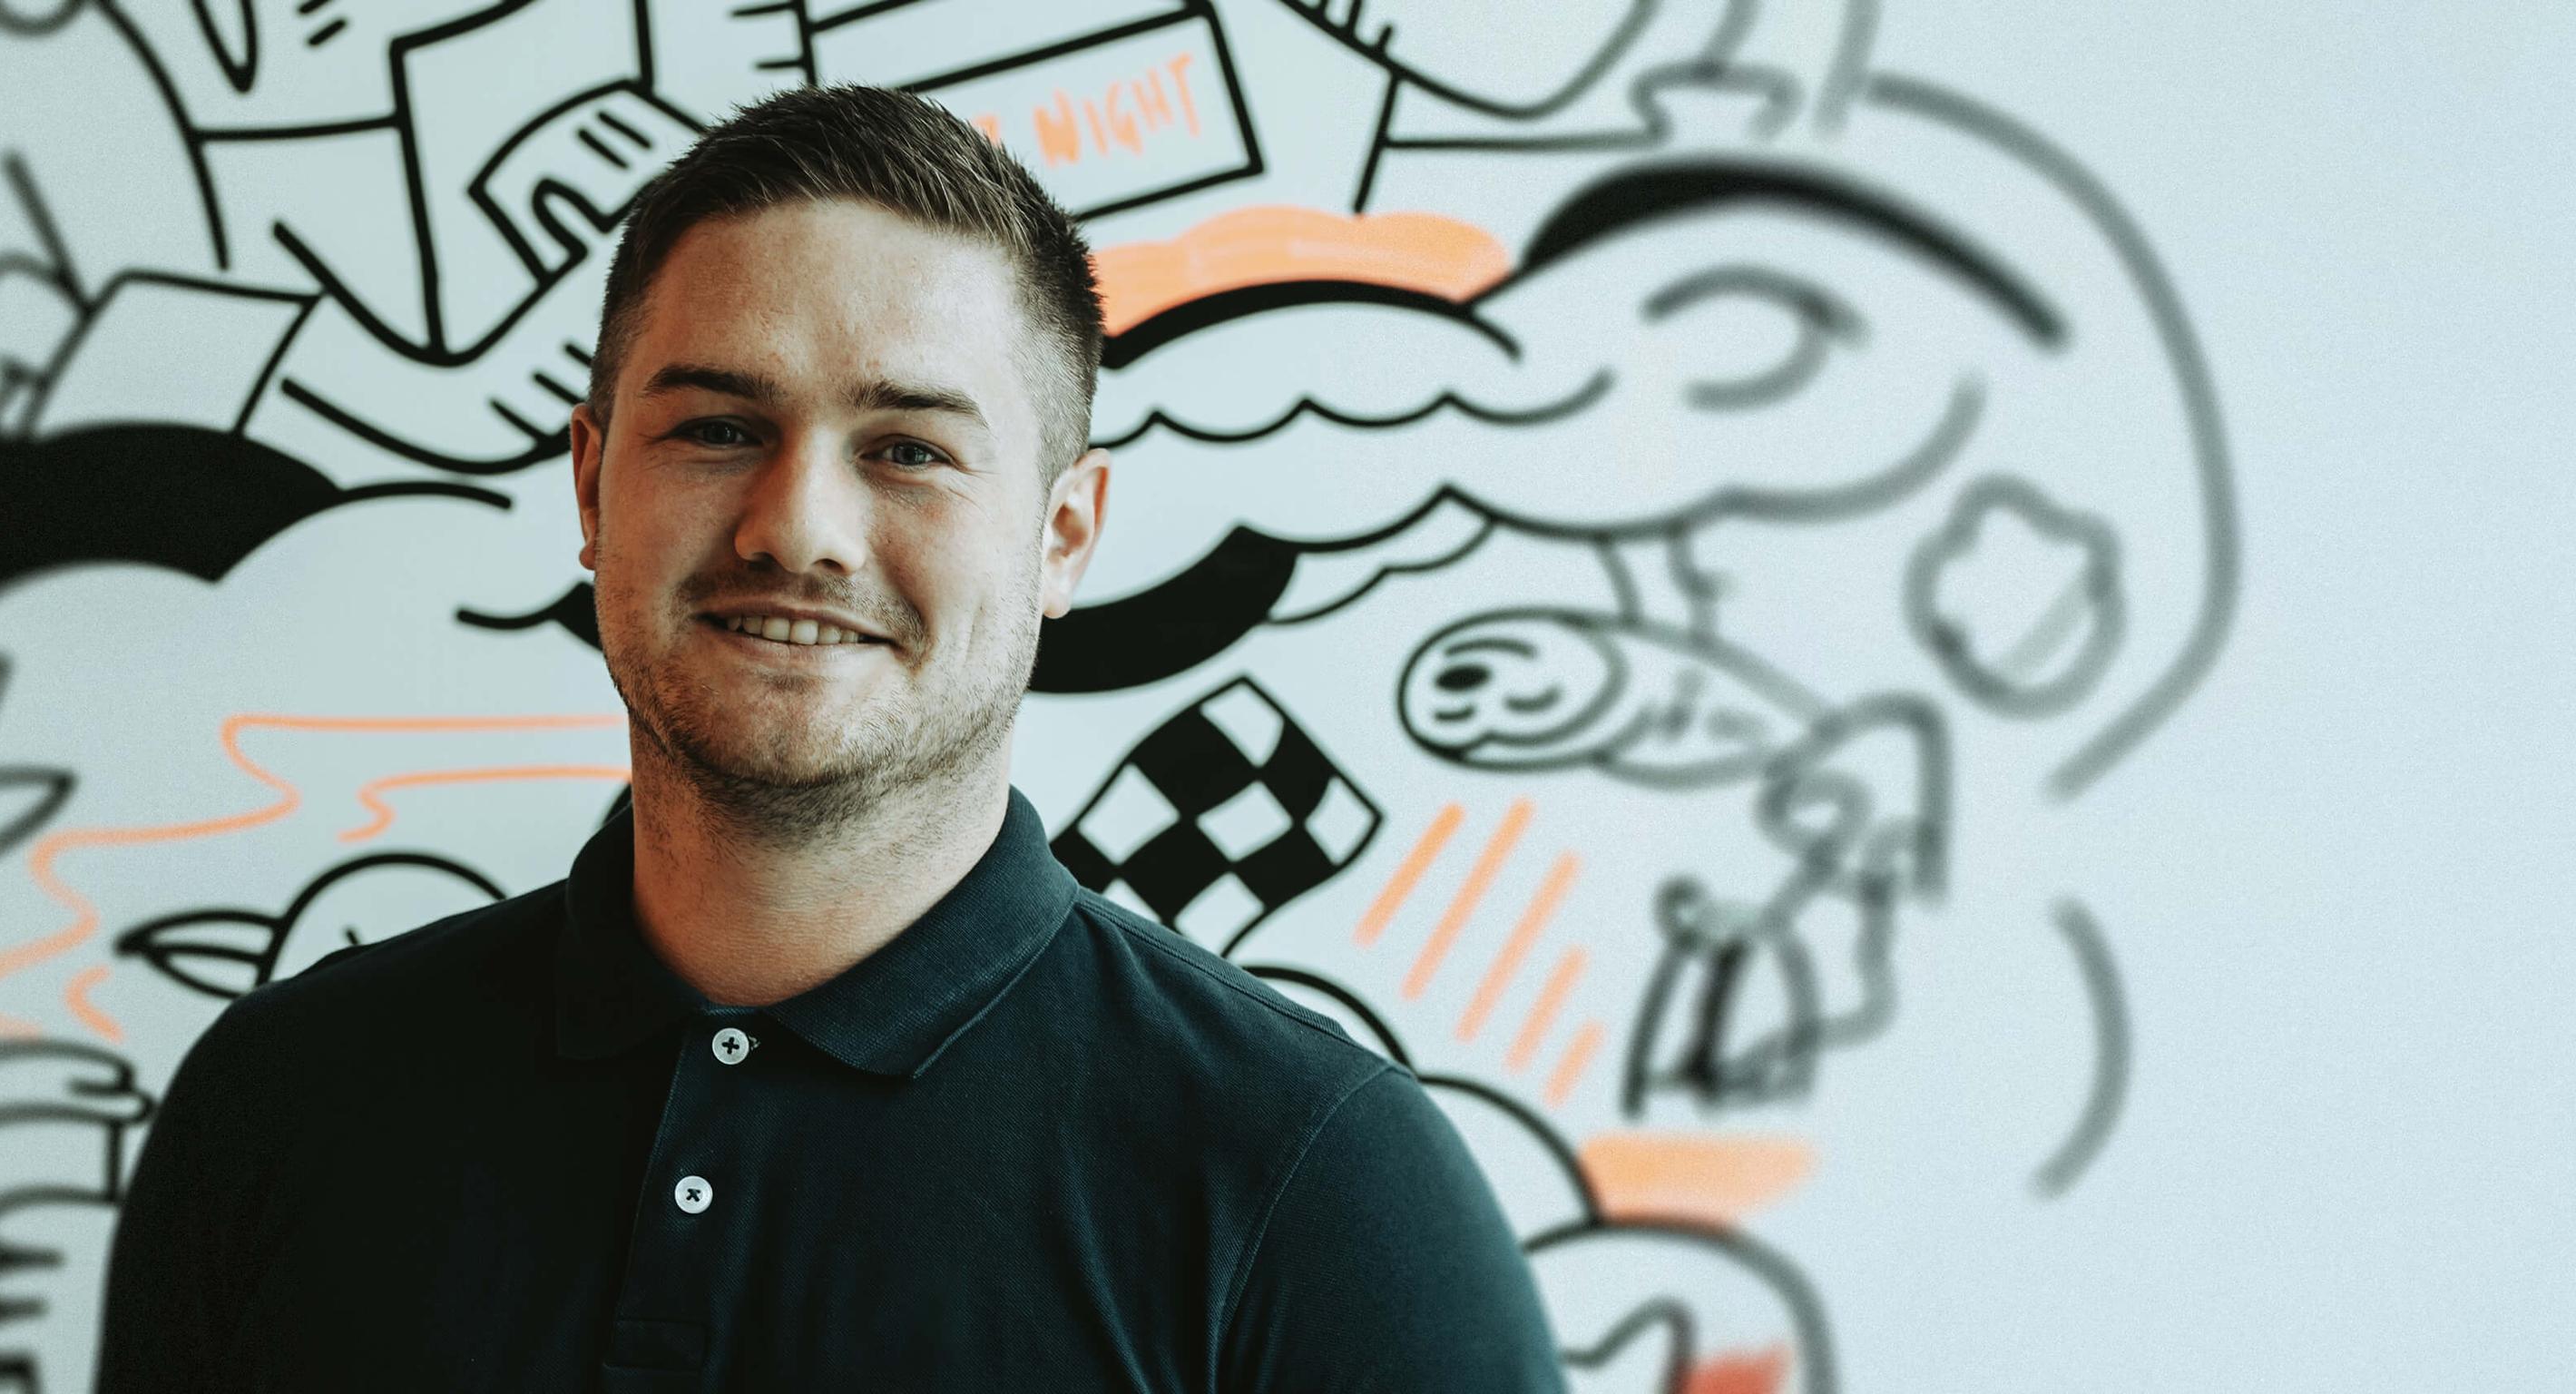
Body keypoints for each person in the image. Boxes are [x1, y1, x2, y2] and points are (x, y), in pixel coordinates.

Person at [93, 84, 1562, 1391]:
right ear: (593, 490)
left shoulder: (1316, 1186)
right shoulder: (279, 1104)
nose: (796, 528)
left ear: (1062, 536)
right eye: (719, 428)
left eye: (909, 449)